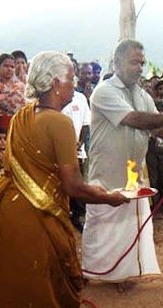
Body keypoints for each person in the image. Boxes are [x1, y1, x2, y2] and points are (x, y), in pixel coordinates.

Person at [0, 51, 129, 308]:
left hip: (7, 216)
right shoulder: (60, 123)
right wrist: (107, 197)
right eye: (70, 79)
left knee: (17, 292)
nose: (74, 85)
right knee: (43, 292)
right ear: (54, 83)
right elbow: (73, 185)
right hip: (36, 218)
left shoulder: (22, 116)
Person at [81, 39, 163, 292]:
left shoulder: (142, 95)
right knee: (101, 224)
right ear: (117, 62)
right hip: (106, 172)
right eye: (134, 62)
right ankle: (91, 271)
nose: (139, 68)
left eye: (142, 63)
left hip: (133, 175)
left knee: (127, 225)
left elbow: (158, 129)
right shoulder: (104, 91)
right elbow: (135, 120)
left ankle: (121, 274)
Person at [62, 90, 91, 231]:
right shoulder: (54, 98)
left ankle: (78, 215)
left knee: (77, 182)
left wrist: (79, 142)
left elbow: (86, 123)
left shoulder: (80, 97)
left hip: (78, 150)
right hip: (60, 149)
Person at [0, 53, 26, 130]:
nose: (9, 69)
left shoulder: (21, 86)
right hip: (0, 123)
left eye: (12, 67)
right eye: (6, 66)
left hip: (20, 122)